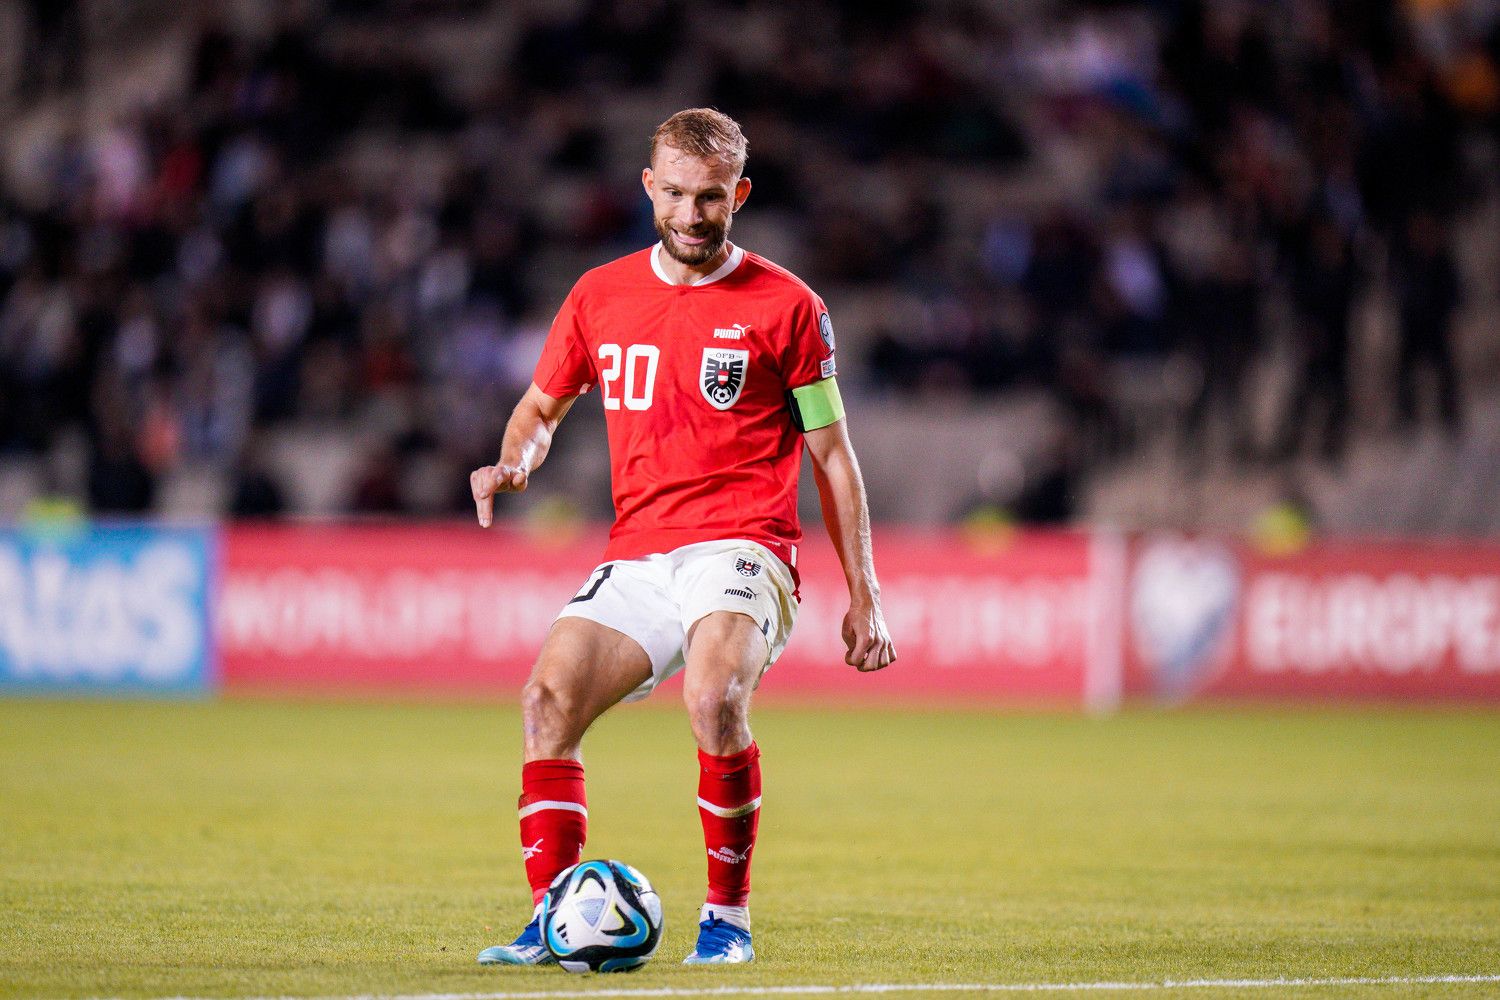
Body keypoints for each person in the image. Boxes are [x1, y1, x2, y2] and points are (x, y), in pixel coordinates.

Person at [469, 108, 896, 967]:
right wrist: (516, 462)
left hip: (744, 546)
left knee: (713, 697)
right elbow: (541, 408)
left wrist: (865, 596)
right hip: (639, 550)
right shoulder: (599, 295)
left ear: (740, 194)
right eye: (674, 195)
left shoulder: (790, 307)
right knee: (546, 701)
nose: (691, 215)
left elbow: (832, 455)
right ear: (647, 188)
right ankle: (554, 919)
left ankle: (727, 921)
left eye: (710, 198)